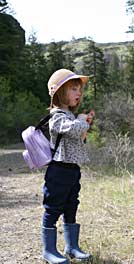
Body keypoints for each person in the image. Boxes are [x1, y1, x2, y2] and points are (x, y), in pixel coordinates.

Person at [42, 68, 95, 264]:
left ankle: (72, 247)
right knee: (53, 208)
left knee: (72, 205)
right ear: (60, 92)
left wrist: (83, 124)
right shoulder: (57, 116)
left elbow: (78, 138)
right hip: (58, 170)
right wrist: (82, 121)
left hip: (73, 170)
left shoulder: (70, 115)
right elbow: (72, 129)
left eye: (79, 90)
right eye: (74, 89)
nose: (79, 93)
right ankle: (49, 250)